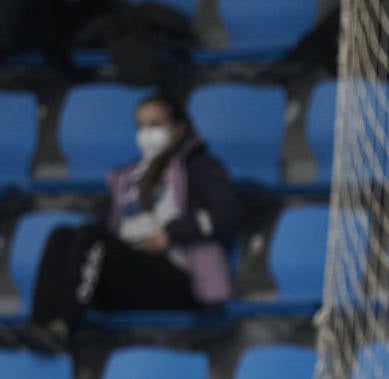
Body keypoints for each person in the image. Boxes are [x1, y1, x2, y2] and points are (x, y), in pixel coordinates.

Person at [19, 94, 240, 352]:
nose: (147, 133)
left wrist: (169, 234)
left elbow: (229, 213)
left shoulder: (199, 166)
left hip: (175, 276)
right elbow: (103, 224)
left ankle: (63, 329)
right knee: (63, 235)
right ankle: (38, 327)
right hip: (130, 272)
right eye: (141, 126)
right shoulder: (127, 176)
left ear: (179, 128)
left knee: (91, 234)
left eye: (156, 124)